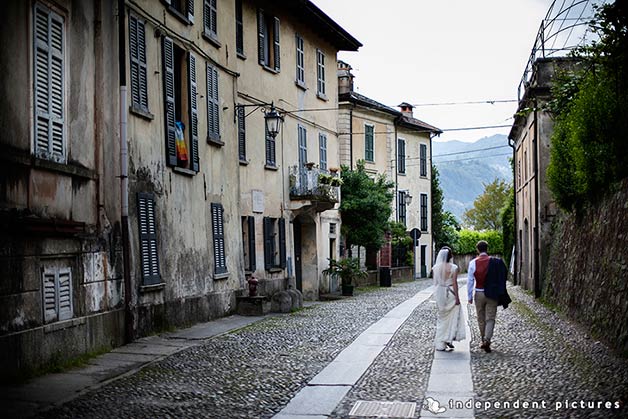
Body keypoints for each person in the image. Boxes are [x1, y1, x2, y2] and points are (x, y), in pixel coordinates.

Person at [467, 240, 506, 353]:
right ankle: (487, 339)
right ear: (487, 249)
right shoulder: (494, 262)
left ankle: (483, 339)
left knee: (481, 318)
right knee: (490, 318)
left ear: (477, 250)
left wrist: (469, 296)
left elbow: (470, 281)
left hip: (479, 293)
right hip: (492, 293)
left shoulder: (473, 263)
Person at [433, 246, 466, 351]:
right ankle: (449, 338)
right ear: (450, 256)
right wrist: (457, 297)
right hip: (451, 293)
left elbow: (436, 283)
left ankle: (441, 341)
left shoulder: (435, 268)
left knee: (441, 318)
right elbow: (455, 283)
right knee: (452, 317)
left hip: (440, 293)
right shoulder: (454, 267)